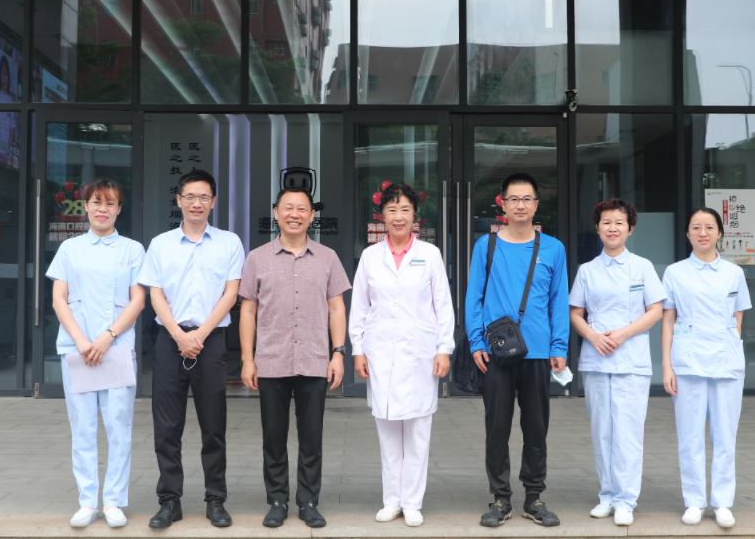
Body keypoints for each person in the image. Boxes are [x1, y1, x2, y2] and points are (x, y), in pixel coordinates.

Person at [138, 169, 244, 529]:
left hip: (210, 341)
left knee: (213, 425)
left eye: (203, 197)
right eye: (190, 196)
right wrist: (179, 335)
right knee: (167, 426)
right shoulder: (161, 244)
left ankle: (216, 500)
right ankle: (170, 500)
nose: (196, 203)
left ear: (213, 202)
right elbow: (155, 294)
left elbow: (231, 293)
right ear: (179, 200)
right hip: (169, 341)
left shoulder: (229, 242)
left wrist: (200, 334)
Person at [239, 187, 351, 529]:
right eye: (288, 207)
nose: (295, 214)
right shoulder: (257, 258)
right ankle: (277, 501)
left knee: (311, 437)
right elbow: (248, 311)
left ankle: (308, 502)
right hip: (271, 360)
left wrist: (338, 353)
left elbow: (336, 308)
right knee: (273, 437)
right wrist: (247, 359)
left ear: (312, 216)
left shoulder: (328, 257)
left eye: (302, 208)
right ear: (276, 212)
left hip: (314, 360)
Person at [465, 173, 570, 528]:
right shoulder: (487, 245)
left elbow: (559, 301)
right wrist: (476, 342)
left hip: (538, 352)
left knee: (536, 428)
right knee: (497, 427)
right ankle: (500, 499)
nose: (520, 205)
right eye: (514, 199)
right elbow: (474, 297)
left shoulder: (553, 249)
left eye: (527, 199)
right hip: (496, 352)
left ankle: (534, 497)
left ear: (536, 205)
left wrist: (559, 345)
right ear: (503, 204)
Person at [350, 184, 455, 528]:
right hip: (381, 353)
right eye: (392, 210)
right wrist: (357, 349)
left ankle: (412, 502)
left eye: (405, 209)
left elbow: (443, 305)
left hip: (421, 354)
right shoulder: (370, 256)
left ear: (415, 216)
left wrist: (444, 348)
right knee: (387, 431)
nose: (399, 217)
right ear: (382, 215)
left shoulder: (430, 254)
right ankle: (391, 500)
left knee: (418, 432)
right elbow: (360, 307)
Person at [46, 179, 146, 529]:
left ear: (119, 209)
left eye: (110, 203)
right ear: (86, 206)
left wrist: (107, 338)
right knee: (83, 427)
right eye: (96, 202)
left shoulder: (132, 249)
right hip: (78, 350)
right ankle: (87, 502)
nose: (103, 209)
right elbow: (59, 299)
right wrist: (81, 340)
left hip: (116, 349)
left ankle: (114, 500)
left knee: (118, 426)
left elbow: (138, 300)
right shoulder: (69, 249)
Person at [568, 198, 664, 527]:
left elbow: (655, 310)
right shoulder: (587, 270)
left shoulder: (642, 267)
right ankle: (607, 495)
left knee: (628, 432)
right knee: (602, 431)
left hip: (631, 360)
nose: (613, 228)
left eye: (619, 222)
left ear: (630, 229)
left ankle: (626, 500)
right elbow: (576, 313)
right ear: (597, 228)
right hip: (597, 360)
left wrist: (622, 334)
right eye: (606, 222)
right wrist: (593, 337)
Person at [661, 207, 752, 529]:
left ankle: (722, 502)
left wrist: (729, 343)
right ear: (687, 233)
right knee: (690, 436)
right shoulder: (675, 272)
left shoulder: (734, 273)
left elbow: (738, 315)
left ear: (719, 233)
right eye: (696, 227)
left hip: (726, 362)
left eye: (709, 227)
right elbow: (668, 320)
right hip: (688, 363)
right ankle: (694, 501)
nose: (703, 233)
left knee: (726, 435)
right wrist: (667, 365)